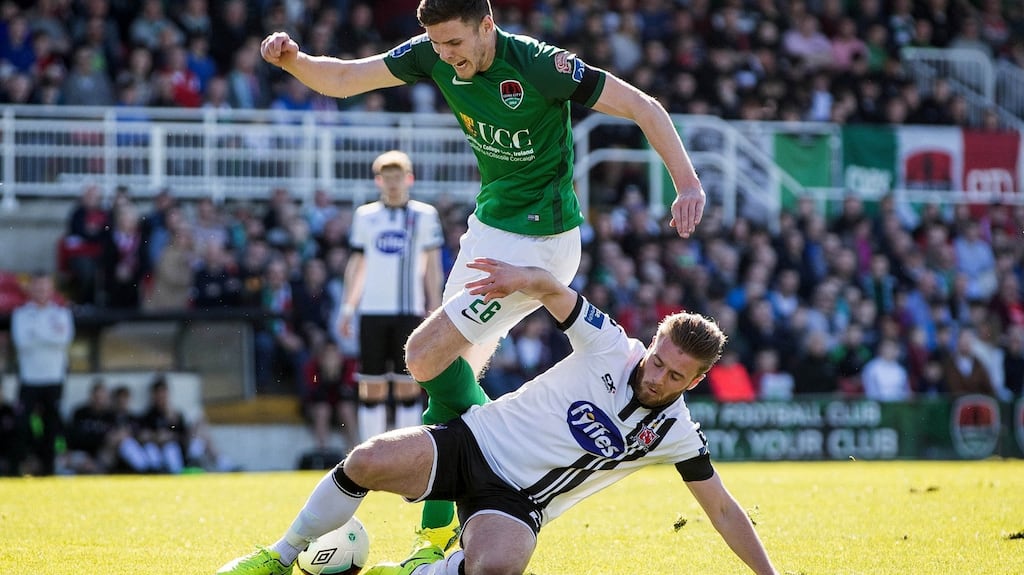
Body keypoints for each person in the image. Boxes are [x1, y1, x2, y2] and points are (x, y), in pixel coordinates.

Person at [260, 0, 707, 552]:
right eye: (438, 46)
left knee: (426, 357)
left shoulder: (542, 65)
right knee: (446, 379)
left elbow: (645, 106)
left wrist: (686, 184)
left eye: (455, 44)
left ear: (487, 27)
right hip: (487, 230)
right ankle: (443, 531)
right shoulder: (432, 54)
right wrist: (295, 60)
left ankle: (488, 472)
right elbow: (348, 78)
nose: (445, 57)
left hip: (542, 245)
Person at [215, 259, 776, 575]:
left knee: (496, 569)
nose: (657, 377)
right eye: (658, 360)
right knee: (366, 460)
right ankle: (280, 556)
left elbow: (723, 510)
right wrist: (520, 279)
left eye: (675, 376)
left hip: (518, 503)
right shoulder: (609, 344)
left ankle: (418, 573)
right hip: (475, 440)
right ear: (651, 343)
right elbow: (556, 290)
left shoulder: (676, 433)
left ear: (696, 381)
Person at [338, 150, 444, 442]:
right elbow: (357, 265)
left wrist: (434, 306)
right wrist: (348, 308)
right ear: (378, 181)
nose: (393, 183)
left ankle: (404, 449)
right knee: (371, 384)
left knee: (407, 384)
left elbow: (432, 266)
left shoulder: (424, 215)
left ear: (409, 179)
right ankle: (369, 452)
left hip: (409, 310)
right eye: (387, 178)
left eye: (398, 177)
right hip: (372, 311)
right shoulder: (366, 216)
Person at [11, 272, 75, 476]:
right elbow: (22, 342)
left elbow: (63, 340)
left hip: (54, 378)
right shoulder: (21, 314)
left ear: (52, 289)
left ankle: (48, 470)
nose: (41, 291)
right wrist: (49, 336)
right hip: (29, 379)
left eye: (45, 287)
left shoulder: (61, 313)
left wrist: (37, 334)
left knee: (51, 426)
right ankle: (18, 468)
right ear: (30, 289)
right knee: (21, 426)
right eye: (37, 287)